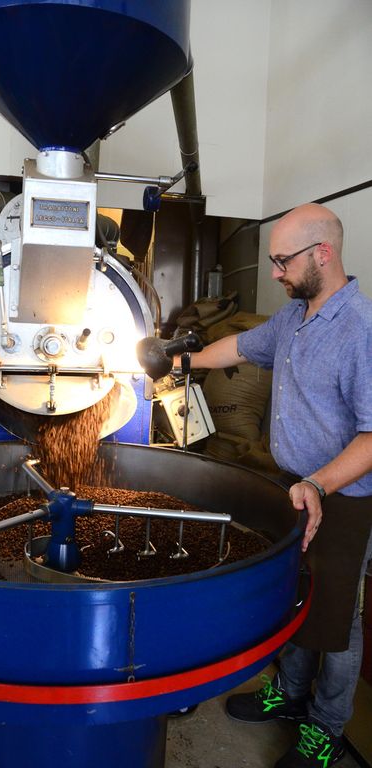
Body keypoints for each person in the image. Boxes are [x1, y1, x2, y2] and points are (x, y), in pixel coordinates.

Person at [183, 203, 372, 768]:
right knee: (293, 594)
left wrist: (318, 483)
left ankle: (326, 727)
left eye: (282, 261)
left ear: (323, 253)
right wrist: (183, 362)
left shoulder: (361, 330)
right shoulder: (293, 317)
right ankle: (289, 693)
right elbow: (241, 348)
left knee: (337, 618)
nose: (274, 272)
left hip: (344, 497)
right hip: (293, 488)